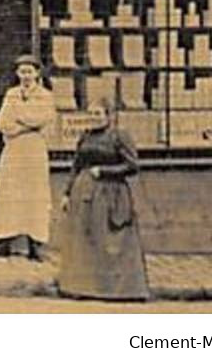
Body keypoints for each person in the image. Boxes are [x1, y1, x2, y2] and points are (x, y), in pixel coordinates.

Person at [57, 95, 149, 300]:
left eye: (98, 113)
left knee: (109, 241)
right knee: (85, 240)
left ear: (109, 116)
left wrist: (105, 171)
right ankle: (82, 287)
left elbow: (132, 166)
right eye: (90, 113)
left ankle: (117, 290)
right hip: (84, 193)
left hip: (111, 194)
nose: (94, 117)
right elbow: (76, 166)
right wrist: (66, 193)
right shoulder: (85, 136)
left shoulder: (119, 136)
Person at [0, 53, 58, 260]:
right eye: (22, 71)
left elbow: (44, 120)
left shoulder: (45, 96)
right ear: (17, 74)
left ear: (37, 73)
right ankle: (3, 242)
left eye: (30, 71)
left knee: (35, 195)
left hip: (34, 149)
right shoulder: (11, 95)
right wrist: (28, 123)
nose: (26, 76)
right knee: (9, 194)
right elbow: (3, 123)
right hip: (13, 149)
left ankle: (35, 244)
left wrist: (21, 120)